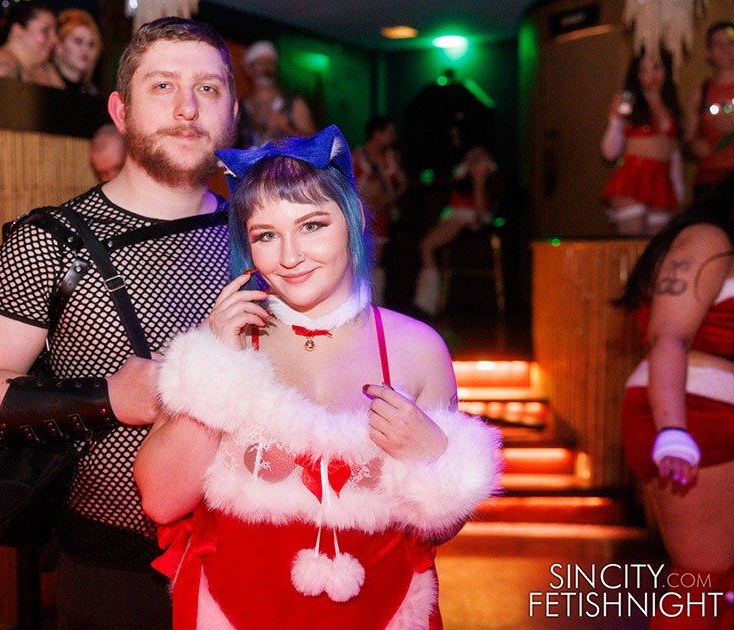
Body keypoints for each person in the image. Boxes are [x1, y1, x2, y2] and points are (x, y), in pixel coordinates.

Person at [135, 126, 501, 629]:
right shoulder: (226, 341)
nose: (290, 256)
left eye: (311, 225)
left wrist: (433, 456)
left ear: (353, 221)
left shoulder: (419, 350)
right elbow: (160, 501)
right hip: (232, 611)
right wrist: (215, 367)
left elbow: (439, 531)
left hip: (385, 613)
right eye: (266, 235)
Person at [0, 17, 239, 629]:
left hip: (255, 565)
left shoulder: (265, 236)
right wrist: (109, 398)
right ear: (121, 111)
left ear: (232, 112)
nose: (188, 108)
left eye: (208, 89)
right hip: (116, 580)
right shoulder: (51, 240)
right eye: (163, 86)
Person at [617, 174, 734, 628]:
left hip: (708, 411)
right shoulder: (707, 238)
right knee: (703, 581)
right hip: (694, 412)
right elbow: (667, 336)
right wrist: (673, 430)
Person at [601, 48, 683, 237]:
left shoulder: (671, 106)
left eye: (657, 68)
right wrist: (614, 119)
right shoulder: (629, 103)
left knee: (657, 246)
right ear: (636, 74)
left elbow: (673, 155)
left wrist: (679, 194)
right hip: (632, 178)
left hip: (662, 181)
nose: (651, 75)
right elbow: (609, 153)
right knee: (633, 244)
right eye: (643, 70)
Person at [412, 146, 498, 319]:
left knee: (427, 245)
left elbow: (480, 215)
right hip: (455, 217)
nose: (474, 162)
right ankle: (426, 301)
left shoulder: (484, 182)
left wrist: (478, 179)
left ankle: (426, 302)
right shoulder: (462, 179)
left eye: (479, 159)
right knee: (425, 245)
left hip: (464, 219)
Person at [353, 115, 408, 305]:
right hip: (359, 215)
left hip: (381, 215)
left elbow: (403, 183)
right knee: (358, 259)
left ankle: (374, 304)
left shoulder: (390, 158)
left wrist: (388, 199)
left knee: (376, 261)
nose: (393, 137)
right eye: (390, 132)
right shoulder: (356, 156)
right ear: (377, 133)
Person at [684, 22, 734, 203]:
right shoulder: (700, 94)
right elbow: (687, 141)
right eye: (718, 44)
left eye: (731, 43)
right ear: (709, 52)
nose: (726, 49)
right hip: (709, 181)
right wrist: (693, 147)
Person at [236, 40, 316, 149]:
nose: (266, 68)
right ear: (248, 69)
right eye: (260, 63)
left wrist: (287, 128)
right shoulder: (240, 109)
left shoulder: (294, 103)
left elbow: (315, 145)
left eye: (270, 63)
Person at [0, 1, 65, 88]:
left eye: (55, 32)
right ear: (17, 30)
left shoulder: (46, 68)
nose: (55, 40)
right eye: (45, 30)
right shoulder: (1, 66)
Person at [54, 8, 102, 95]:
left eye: (91, 44)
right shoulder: (43, 87)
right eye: (78, 41)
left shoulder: (92, 93)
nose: (85, 49)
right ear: (59, 45)